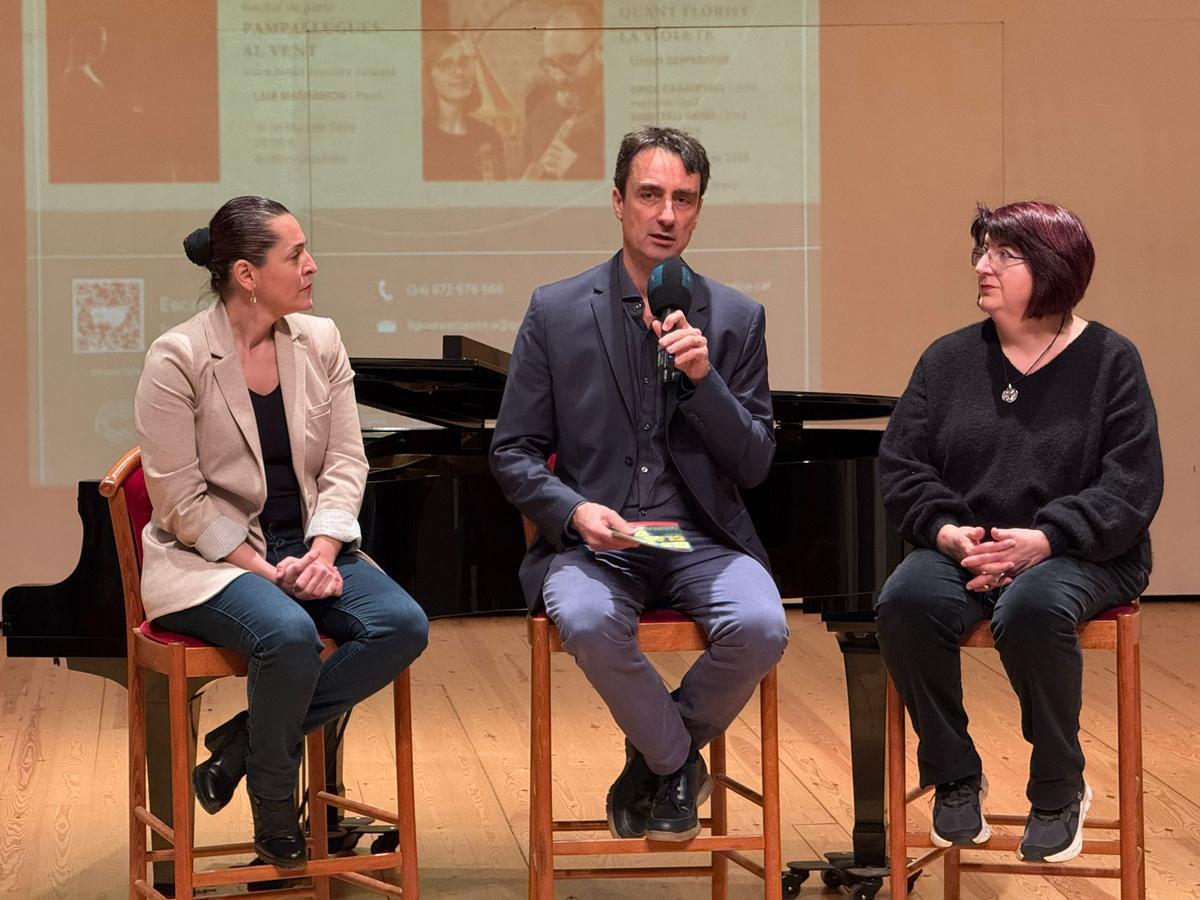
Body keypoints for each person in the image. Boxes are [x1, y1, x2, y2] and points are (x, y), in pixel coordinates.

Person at [489, 126, 788, 841]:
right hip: (599, 544)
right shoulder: (557, 311)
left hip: (702, 541)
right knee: (588, 620)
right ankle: (677, 761)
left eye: (684, 200)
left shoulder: (737, 319)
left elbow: (754, 463)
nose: (666, 215)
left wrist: (703, 379)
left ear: (698, 211)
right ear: (618, 202)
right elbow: (514, 452)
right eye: (651, 196)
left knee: (762, 626)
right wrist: (574, 512)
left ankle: (652, 757)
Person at [134, 196, 429, 868]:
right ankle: (274, 815)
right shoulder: (177, 358)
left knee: (403, 625)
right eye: (295, 256)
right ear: (246, 273)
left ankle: (240, 746)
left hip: (311, 549)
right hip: (213, 562)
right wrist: (269, 573)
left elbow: (347, 462)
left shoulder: (320, 341)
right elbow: (180, 502)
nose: (311, 266)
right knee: (287, 633)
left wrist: (324, 551)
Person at [875, 201, 1162, 864]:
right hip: (970, 547)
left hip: (1086, 549)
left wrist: (1046, 539)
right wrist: (947, 533)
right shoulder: (946, 361)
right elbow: (903, 466)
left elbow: (1132, 486)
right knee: (905, 602)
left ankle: (1060, 786)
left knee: (1031, 607)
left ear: (1052, 268)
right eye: (981, 252)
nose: (983, 267)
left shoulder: (1111, 361)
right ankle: (954, 776)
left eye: (1003, 255)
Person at [522, 3, 604, 180]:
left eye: (568, 61)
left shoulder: (618, 105)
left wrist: (577, 169)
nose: (559, 76)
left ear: (600, 48)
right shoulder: (541, 113)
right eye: (551, 64)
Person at [422, 31, 506, 180]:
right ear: (430, 75)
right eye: (446, 64)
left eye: (464, 62)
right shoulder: (420, 137)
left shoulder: (490, 137)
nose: (459, 72)